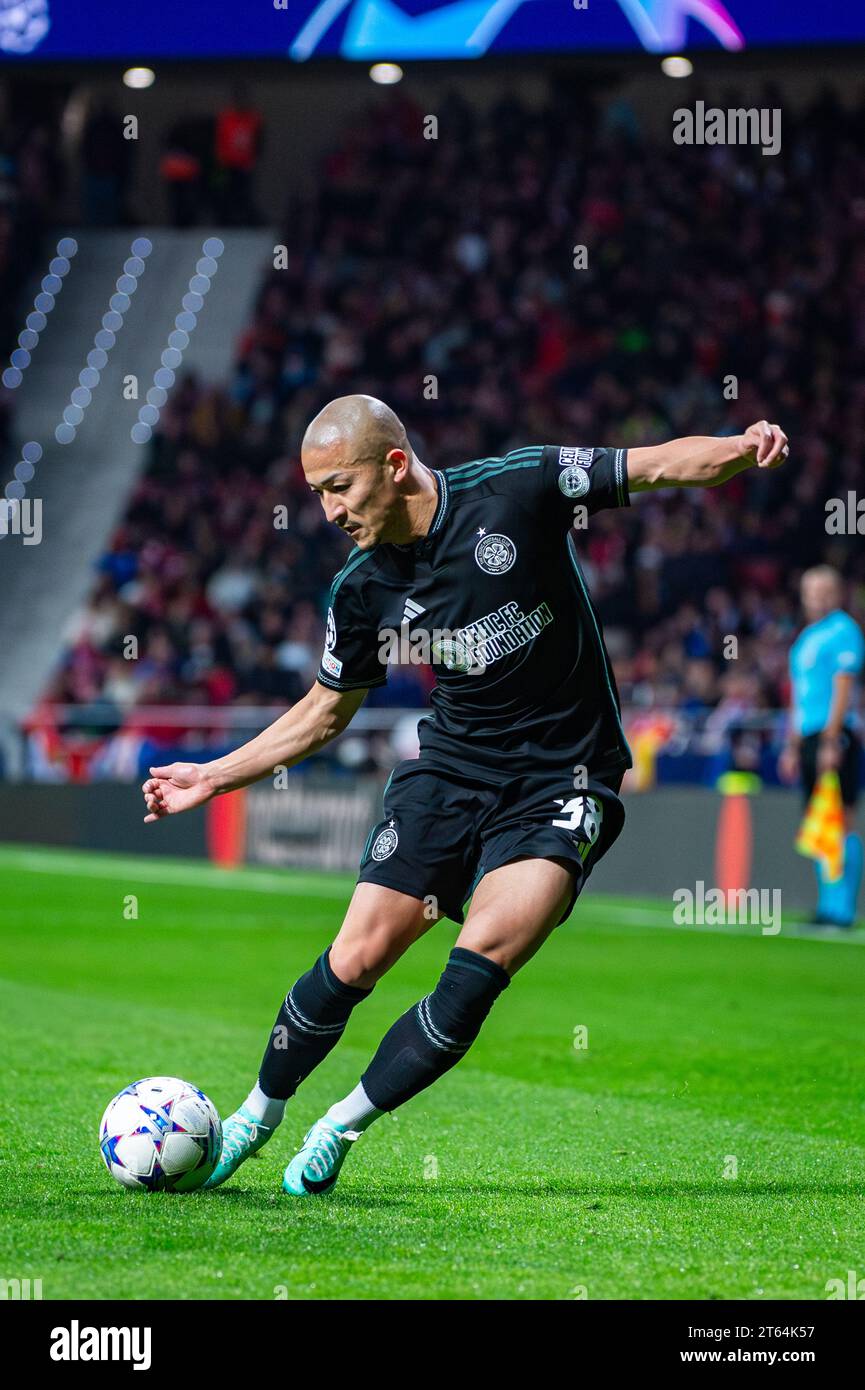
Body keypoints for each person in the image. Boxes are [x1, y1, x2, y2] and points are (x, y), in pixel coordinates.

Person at [141, 398, 788, 1195]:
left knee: (478, 963)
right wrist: (211, 774)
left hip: (565, 778)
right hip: (449, 774)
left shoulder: (519, 489)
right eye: (314, 494)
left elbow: (653, 465)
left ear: (393, 464)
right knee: (356, 956)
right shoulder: (363, 589)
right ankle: (256, 1114)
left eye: (337, 487)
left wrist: (739, 446)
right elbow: (323, 712)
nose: (328, 510)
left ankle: (339, 1125)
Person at [780, 566, 864, 926]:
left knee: (840, 820)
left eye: (822, 590)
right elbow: (800, 695)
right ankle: (827, 905)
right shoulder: (806, 637)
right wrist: (792, 745)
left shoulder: (844, 630)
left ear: (836, 593)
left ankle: (842, 908)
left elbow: (843, 686)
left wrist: (832, 738)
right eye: (809, 591)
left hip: (834, 733)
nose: (815, 598)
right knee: (818, 821)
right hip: (809, 735)